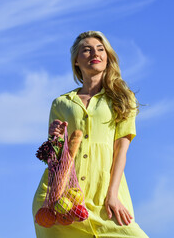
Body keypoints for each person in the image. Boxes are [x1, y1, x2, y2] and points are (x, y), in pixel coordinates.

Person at [32, 31, 148, 238]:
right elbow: (55, 156)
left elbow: (121, 148)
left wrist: (112, 194)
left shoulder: (122, 98)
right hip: (61, 198)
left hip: (105, 195)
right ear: (76, 61)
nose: (95, 53)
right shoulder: (61, 103)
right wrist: (56, 138)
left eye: (100, 49)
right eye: (86, 50)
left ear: (107, 56)